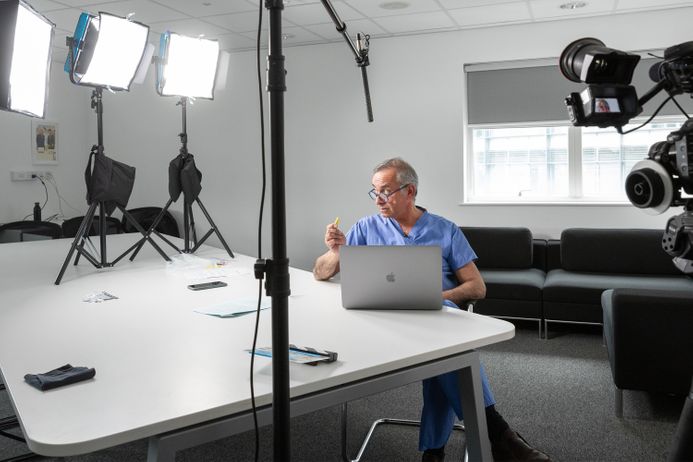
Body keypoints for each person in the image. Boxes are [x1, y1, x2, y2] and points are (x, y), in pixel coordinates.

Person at [314, 157, 550, 462]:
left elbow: (477, 288)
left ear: (410, 191)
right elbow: (321, 272)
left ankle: (435, 453)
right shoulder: (365, 227)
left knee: (443, 353)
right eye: (375, 192)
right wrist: (336, 252)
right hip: (379, 325)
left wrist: (437, 296)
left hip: (436, 321)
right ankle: (497, 433)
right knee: (450, 357)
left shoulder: (445, 230)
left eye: (386, 191)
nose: (379, 200)